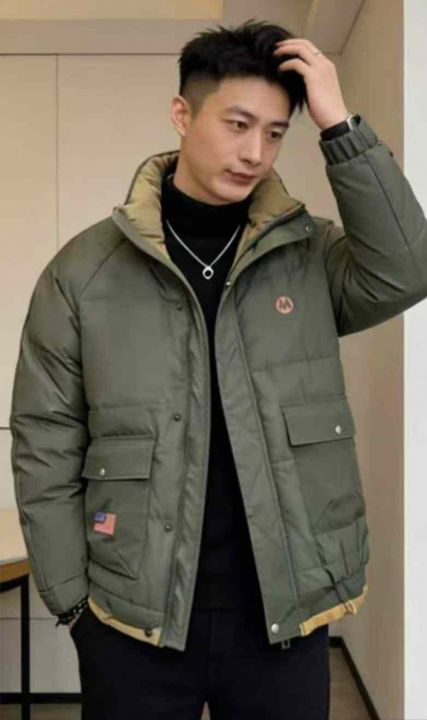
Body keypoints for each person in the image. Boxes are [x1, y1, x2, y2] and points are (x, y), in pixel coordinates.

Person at [9, 17, 427, 720]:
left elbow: (407, 269)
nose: (254, 152)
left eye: (275, 133)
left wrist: (340, 127)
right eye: (237, 124)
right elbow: (43, 440)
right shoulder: (83, 272)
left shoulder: (309, 256)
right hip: (131, 621)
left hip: (283, 615)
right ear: (182, 114)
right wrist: (73, 602)